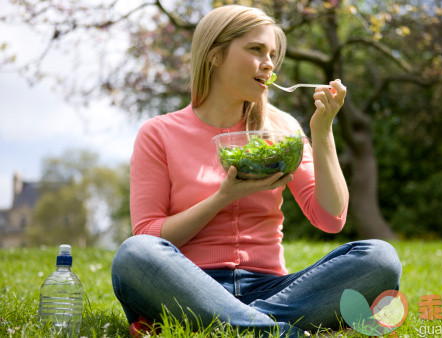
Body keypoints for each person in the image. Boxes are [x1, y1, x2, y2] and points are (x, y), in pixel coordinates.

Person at [111, 5, 401, 337]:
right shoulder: (159, 132)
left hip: (276, 290)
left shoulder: (280, 128)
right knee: (135, 254)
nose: (269, 63)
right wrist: (223, 197)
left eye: (273, 54)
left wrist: (322, 132)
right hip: (188, 283)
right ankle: (275, 330)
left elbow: (330, 218)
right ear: (215, 55)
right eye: (255, 49)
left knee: (380, 258)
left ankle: (236, 325)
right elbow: (149, 234)